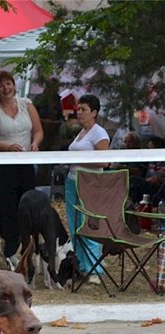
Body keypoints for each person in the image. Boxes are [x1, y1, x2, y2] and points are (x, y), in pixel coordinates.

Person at [0, 70, 43, 263]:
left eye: (8, 84)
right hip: (3, 165)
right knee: (7, 207)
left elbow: (38, 130)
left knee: (27, 205)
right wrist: (7, 147)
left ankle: (29, 247)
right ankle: (9, 249)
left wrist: (35, 143)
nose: (5, 88)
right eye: (1, 85)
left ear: (13, 85)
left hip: (25, 163)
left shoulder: (27, 104)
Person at [65, 94, 110, 282]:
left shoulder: (99, 133)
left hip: (90, 183)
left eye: (83, 109)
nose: (79, 113)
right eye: (78, 109)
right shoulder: (80, 133)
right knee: (75, 225)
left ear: (94, 112)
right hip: (72, 181)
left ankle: (94, 269)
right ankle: (82, 265)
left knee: (89, 224)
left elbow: (104, 161)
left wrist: (79, 160)